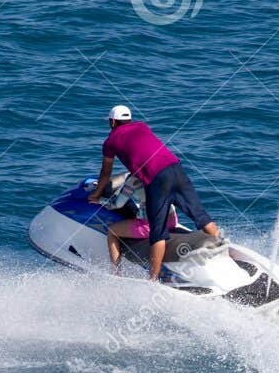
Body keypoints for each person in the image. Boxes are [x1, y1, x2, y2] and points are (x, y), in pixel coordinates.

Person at [88, 105, 223, 280]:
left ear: (112, 122)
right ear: (129, 119)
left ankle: (152, 280)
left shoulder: (110, 141)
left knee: (157, 232)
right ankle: (223, 248)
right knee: (200, 216)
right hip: (176, 168)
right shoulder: (142, 126)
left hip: (157, 179)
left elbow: (106, 173)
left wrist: (96, 196)